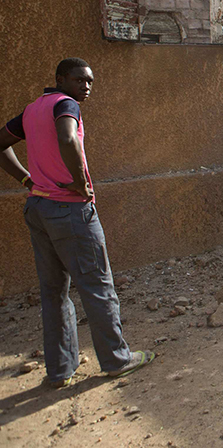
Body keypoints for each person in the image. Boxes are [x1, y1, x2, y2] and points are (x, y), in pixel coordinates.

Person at [0, 58, 154, 387]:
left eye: (90, 82)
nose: (86, 87)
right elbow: (69, 139)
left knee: (54, 292)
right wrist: (80, 184)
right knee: (97, 287)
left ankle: (60, 370)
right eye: (79, 80)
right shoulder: (66, 105)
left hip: (38, 207)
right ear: (60, 79)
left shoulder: (31, 110)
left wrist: (27, 180)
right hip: (69, 210)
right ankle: (116, 359)